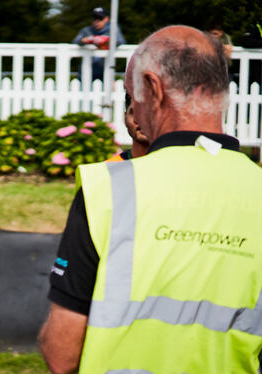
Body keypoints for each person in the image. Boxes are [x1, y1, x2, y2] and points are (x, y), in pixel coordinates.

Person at [39, 25, 262, 373]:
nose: (134, 110)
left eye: (132, 94)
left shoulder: (110, 189)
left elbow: (62, 351)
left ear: (154, 89)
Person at [72, 7, 126, 81]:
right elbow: (75, 41)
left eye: (100, 18)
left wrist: (105, 41)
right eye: (94, 18)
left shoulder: (113, 29)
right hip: (87, 68)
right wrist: (84, 41)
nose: (97, 21)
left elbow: (121, 41)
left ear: (106, 19)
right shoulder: (86, 30)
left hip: (105, 68)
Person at [106, 86, 149, 161]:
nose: (142, 121)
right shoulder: (109, 167)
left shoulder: (175, 166)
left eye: (150, 114)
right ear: (125, 118)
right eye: (136, 113)